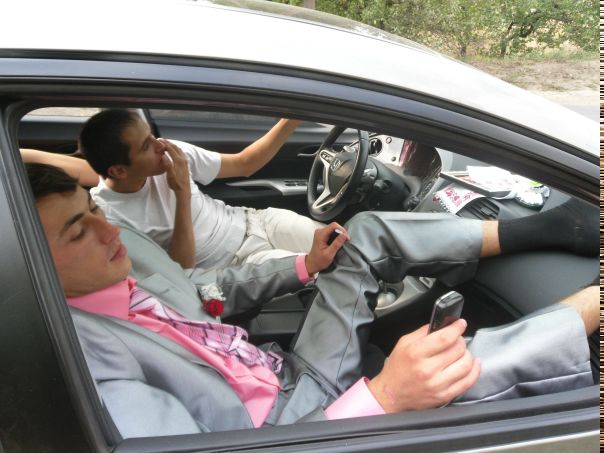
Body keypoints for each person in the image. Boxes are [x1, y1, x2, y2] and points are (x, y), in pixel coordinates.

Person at [27, 163, 597, 439]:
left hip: (285, 372)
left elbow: (205, 292)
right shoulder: (80, 366)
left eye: (93, 210)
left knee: (363, 233)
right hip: (288, 428)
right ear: (25, 263)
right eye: (78, 232)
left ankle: (543, 230)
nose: (109, 231)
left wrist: (306, 265)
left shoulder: (121, 258)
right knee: (456, 366)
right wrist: (385, 397)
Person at [75, 109, 323, 270]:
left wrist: (292, 117)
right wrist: (182, 193)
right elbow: (181, 271)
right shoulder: (112, 218)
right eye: (145, 146)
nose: (160, 145)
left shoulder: (170, 153)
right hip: (236, 265)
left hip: (256, 222)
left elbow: (245, 164)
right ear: (119, 171)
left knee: (337, 244)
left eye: (151, 135)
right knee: (324, 271)